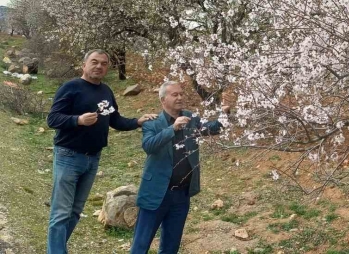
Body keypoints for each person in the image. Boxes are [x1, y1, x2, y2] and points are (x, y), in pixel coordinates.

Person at [46, 49, 158, 254]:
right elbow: (52, 119)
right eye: (94, 62)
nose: (99, 66)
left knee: (75, 212)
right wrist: (77, 120)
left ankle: (58, 249)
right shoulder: (71, 87)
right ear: (84, 65)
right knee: (61, 213)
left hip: (92, 159)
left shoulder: (106, 91)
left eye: (103, 63)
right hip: (68, 156)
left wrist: (138, 121)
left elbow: (115, 120)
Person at [130, 81, 228, 254]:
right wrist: (172, 129)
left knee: (171, 246)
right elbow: (149, 146)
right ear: (163, 100)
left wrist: (224, 116)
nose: (180, 97)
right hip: (155, 193)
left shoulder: (191, 119)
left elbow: (210, 129)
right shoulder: (152, 122)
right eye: (174, 94)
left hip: (181, 194)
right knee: (141, 245)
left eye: (181, 94)